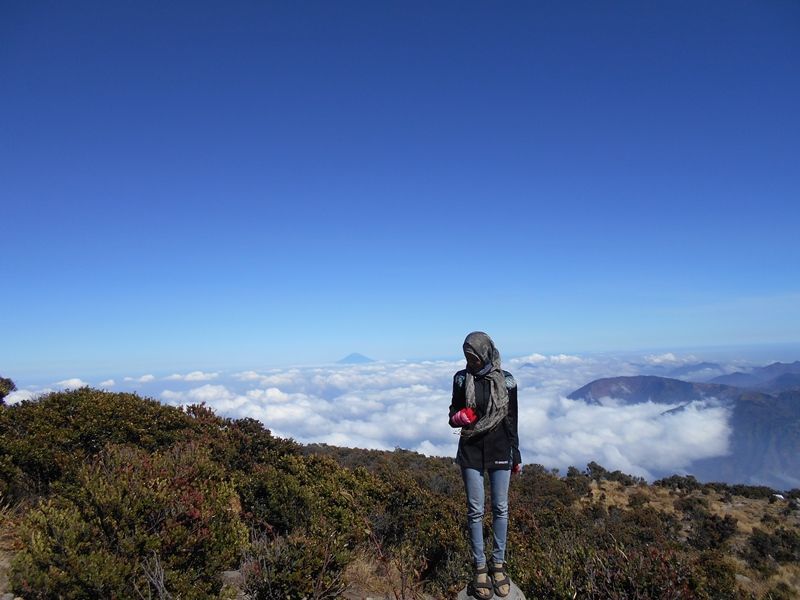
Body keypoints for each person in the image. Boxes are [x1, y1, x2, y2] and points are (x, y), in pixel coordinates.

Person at [449, 331, 521, 599]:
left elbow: (512, 418)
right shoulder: (460, 378)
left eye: (476, 357)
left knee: (501, 508)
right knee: (475, 510)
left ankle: (498, 565)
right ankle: (480, 567)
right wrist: (459, 417)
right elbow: (451, 414)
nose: (473, 362)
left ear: (487, 353)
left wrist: (516, 454)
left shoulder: (507, 380)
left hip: (501, 447)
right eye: (468, 357)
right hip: (470, 449)